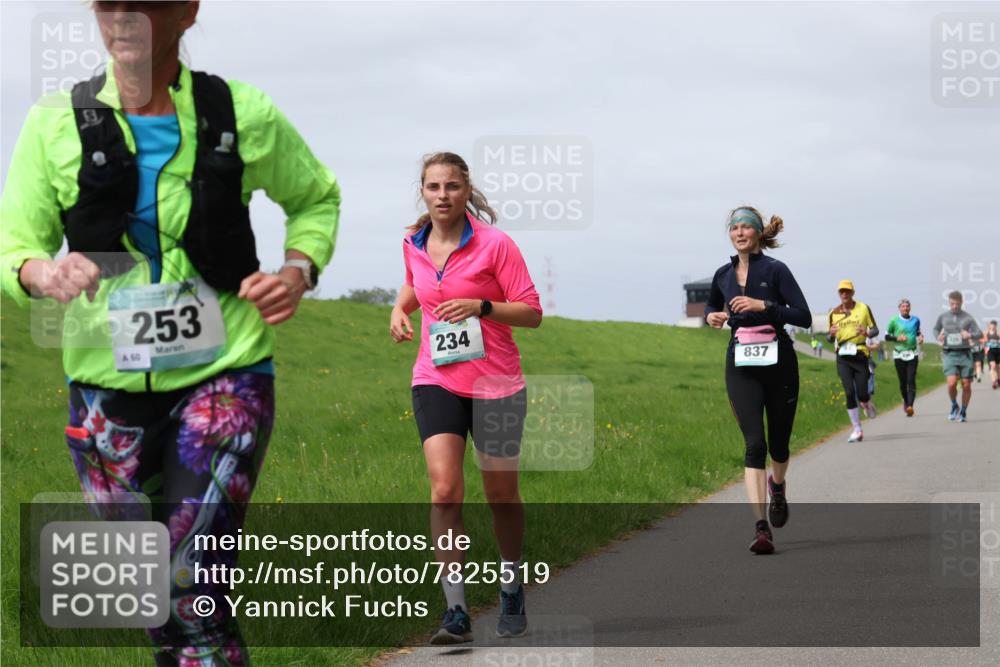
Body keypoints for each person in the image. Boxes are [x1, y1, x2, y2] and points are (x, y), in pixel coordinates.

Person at [0, 2, 340, 664]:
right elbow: (16, 245)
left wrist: (298, 270)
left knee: (191, 586)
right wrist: (43, 271)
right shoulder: (52, 122)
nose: (124, 18)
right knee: (150, 596)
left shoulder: (242, 112)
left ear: (186, 11)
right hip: (104, 394)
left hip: (226, 375)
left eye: (145, 3)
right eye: (109, 3)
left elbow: (315, 198)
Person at [389, 152, 542, 642]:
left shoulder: (495, 244)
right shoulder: (413, 243)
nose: (443, 195)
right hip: (435, 378)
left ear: (466, 190)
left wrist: (482, 306)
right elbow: (415, 284)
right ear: (423, 191)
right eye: (433, 187)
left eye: (451, 186)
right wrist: (399, 308)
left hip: (497, 383)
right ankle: (455, 610)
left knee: (501, 495)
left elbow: (532, 312)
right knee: (444, 490)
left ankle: (511, 585)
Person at [705, 206, 811, 555]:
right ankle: (761, 528)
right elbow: (710, 308)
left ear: (757, 233)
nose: (739, 233)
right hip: (741, 365)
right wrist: (712, 317)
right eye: (734, 227)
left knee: (779, 444)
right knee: (755, 445)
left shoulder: (776, 270)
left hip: (779, 364)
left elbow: (803, 316)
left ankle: (777, 485)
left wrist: (763, 306)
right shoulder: (723, 274)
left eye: (745, 227)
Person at [827, 280, 879, 442]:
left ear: (853, 293)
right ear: (839, 294)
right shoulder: (833, 313)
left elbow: (875, 329)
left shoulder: (863, 308)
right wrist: (831, 335)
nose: (844, 294)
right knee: (849, 392)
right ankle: (857, 429)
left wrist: (867, 333)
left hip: (860, 354)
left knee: (862, 393)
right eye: (842, 291)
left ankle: (866, 402)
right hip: (843, 357)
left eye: (847, 291)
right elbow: (829, 338)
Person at [933, 291, 983, 422]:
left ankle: (964, 411)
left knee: (966, 384)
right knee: (951, 383)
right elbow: (935, 329)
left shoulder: (968, 318)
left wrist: (970, 335)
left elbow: (979, 334)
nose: (954, 306)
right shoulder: (943, 316)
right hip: (949, 353)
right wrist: (938, 336)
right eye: (952, 303)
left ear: (961, 302)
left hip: (965, 354)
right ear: (949, 303)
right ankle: (954, 405)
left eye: (957, 303)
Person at [884, 298, 924, 416]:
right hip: (899, 354)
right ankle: (906, 401)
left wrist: (920, 337)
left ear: (910, 308)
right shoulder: (894, 320)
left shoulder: (916, 320)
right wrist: (897, 338)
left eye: (907, 306)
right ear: (899, 308)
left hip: (913, 353)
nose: (905, 308)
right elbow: (886, 336)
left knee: (911, 380)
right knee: (903, 382)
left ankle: (910, 406)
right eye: (903, 306)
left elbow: (918, 332)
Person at [984, 320, 1000, 390]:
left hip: (998, 350)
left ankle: (998, 379)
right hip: (990, 351)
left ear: (995, 326)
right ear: (989, 325)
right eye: (991, 325)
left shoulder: (998, 333)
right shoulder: (986, 333)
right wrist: (986, 342)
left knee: (998, 367)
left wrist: (997, 341)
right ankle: (994, 381)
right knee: (992, 366)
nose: (992, 326)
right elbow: (983, 340)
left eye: (994, 325)